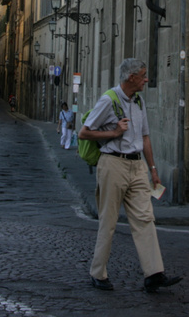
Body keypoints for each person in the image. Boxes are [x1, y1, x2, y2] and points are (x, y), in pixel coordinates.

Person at [78, 58, 182, 293]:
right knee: (109, 221)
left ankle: (154, 274)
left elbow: (145, 137)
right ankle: (98, 273)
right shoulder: (108, 100)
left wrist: (153, 169)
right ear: (131, 77)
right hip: (112, 164)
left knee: (145, 218)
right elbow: (84, 133)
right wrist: (114, 132)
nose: (147, 79)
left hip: (137, 167)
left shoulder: (138, 100)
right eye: (143, 75)